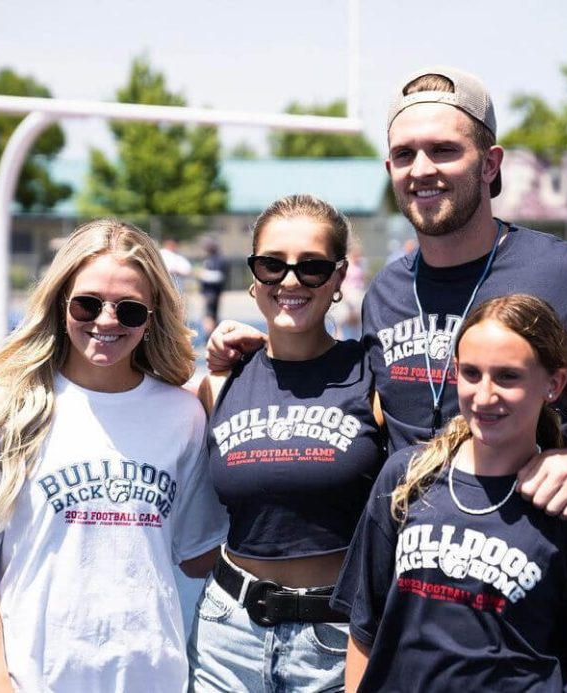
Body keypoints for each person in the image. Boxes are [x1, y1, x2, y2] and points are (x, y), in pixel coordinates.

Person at [209, 65, 567, 521]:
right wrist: (263, 354)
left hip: (541, 577)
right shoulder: (386, 292)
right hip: (413, 581)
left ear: (489, 163)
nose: (421, 169)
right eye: (404, 154)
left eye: (443, 149)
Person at [0, 219, 227, 692]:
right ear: (60, 302)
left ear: (154, 312)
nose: (106, 320)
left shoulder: (183, 415)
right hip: (27, 679)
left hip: (149, 678)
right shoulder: (0, 406)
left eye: (130, 309)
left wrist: (236, 401)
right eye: (88, 303)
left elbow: (200, 556)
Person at [333, 294, 567, 692]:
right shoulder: (406, 478)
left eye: (508, 376)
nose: (485, 396)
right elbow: (365, 629)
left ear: (553, 384)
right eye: (471, 373)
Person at [187, 194, 387, 692]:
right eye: (271, 265)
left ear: (339, 278)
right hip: (225, 636)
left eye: (312, 267)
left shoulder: (372, 377)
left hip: (338, 641)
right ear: (254, 278)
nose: (290, 281)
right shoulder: (219, 383)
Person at [334, 240, 366, 340]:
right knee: (342, 319)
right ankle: (339, 337)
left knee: (357, 320)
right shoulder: (347, 266)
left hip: (358, 294)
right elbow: (343, 281)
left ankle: (357, 338)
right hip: (348, 294)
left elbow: (362, 281)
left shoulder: (360, 265)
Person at [197, 238, 228, 339]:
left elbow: (220, 276)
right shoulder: (209, 258)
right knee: (211, 316)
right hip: (208, 293)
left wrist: (202, 274)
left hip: (213, 293)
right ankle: (213, 336)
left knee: (209, 316)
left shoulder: (219, 259)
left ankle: (210, 337)